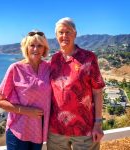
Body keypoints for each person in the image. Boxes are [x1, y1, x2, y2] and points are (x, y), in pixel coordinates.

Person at [47, 17, 105, 150]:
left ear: (75, 34)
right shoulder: (54, 60)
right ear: (56, 36)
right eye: (61, 32)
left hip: (85, 129)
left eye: (68, 32)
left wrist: (98, 124)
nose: (64, 35)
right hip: (56, 130)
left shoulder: (89, 58)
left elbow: (97, 91)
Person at [0, 30, 51, 150]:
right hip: (18, 130)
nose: (36, 49)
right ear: (26, 47)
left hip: (39, 131)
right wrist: (26, 110)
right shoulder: (15, 68)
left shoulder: (48, 68)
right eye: (32, 45)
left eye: (39, 45)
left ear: (44, 49)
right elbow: (0, 101)